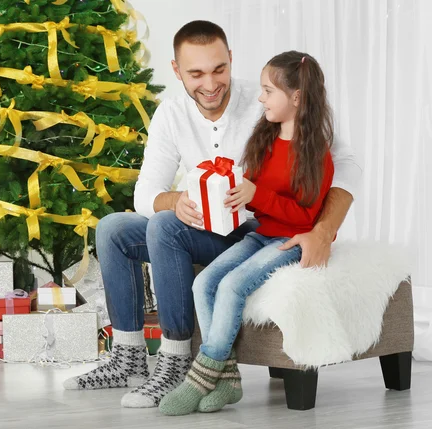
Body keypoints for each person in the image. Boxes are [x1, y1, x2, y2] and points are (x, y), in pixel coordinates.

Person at [64, 20, 360, 409]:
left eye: (219, 69)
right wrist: (177, 201)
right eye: (196, 73)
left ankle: (175, 360)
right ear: (176, 71)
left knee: (165, 227)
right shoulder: (171, 113)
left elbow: (344, 163)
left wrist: (323, 230)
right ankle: (128, 359)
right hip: (200, 227)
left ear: (231, 59)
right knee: (113, 228)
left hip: (253, 226)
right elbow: (145, 194)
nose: (210, 83)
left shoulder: (269, 101)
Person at [159, 50, 335, 415]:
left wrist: (259, 196)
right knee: (203, 283)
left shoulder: (318, 155)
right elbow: (255, 198)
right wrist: (228, 193)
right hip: (259, 233)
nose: (260, 98)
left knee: (233, 285)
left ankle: (202, 375)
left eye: (268, 91)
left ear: (297, 97)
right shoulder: (266, 139)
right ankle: (228, 381)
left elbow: (305, 218)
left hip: (289, 240)